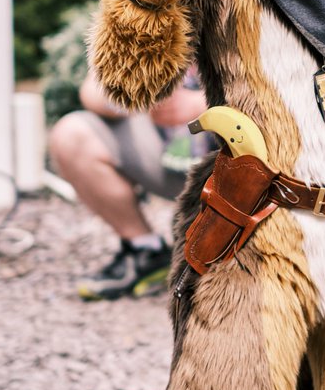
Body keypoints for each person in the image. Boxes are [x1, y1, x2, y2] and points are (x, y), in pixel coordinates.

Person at [48, 67, 208, 300]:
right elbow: (92, 90)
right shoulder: (139, 28)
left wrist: (202, 105)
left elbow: (280, 95)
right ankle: (146, 250)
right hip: (165, 151)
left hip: (245, 158)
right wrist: (131, 98)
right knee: (72, 135)